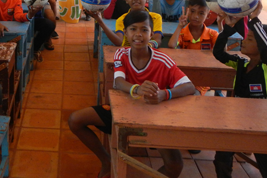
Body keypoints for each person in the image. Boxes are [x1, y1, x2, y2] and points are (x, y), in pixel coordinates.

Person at [68, 10, 195, 178]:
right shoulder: (121, 54)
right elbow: (118, 82)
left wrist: (164, 94)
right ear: (126, 32)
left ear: (151, 34)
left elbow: (189, 86)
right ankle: (106, 161)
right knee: (75, 120)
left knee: (175, 166)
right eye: (133, 29)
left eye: (144, 30)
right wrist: (137, 89)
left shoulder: (163, 60)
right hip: (123, 113)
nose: (138, 34)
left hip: (155, 120)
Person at [212, 2, 267, 178]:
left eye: (250, 39)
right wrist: (228, 28)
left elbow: (266, 48)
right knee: (221, 158)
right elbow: (219, 54)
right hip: (237, 120)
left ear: (264, 46)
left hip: (263, 125)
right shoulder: (241, 63)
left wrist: (254, 19)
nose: (244, 40)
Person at [168, 0, 218, 95]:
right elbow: (172, 45)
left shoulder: (212, 34)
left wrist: (221, 27)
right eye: (192, 11)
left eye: (201, 13)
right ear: (187, 11)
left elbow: (221, 51)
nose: (196, 16)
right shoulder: (182, 33)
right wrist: (179, 26)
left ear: (208, 15)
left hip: (204, 76)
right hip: (185, 75)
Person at [89, 0, 163, 48]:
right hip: (128, 54)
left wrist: (146, 47)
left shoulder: (155, 17)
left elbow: (157, 40)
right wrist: (100, 22)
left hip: (149, 53)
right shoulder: (122, 19)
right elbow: (119, 42)